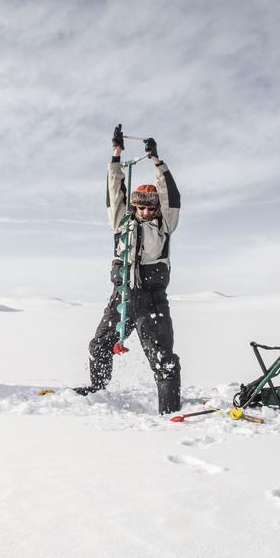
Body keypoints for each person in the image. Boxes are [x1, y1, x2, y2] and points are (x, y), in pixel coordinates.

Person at [76, 125, 183, 414]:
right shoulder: (121, 221)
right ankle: (98, 391)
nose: (147, 212)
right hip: (122, 296)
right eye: (142, 207)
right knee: (99, 345)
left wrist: (157, 161)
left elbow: (170, 196)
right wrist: (116, 153)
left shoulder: (165, 224)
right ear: (134, 206)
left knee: (162, 356)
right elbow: (114, 190)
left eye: (151, 208)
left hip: (151, 298)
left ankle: (170, 408)